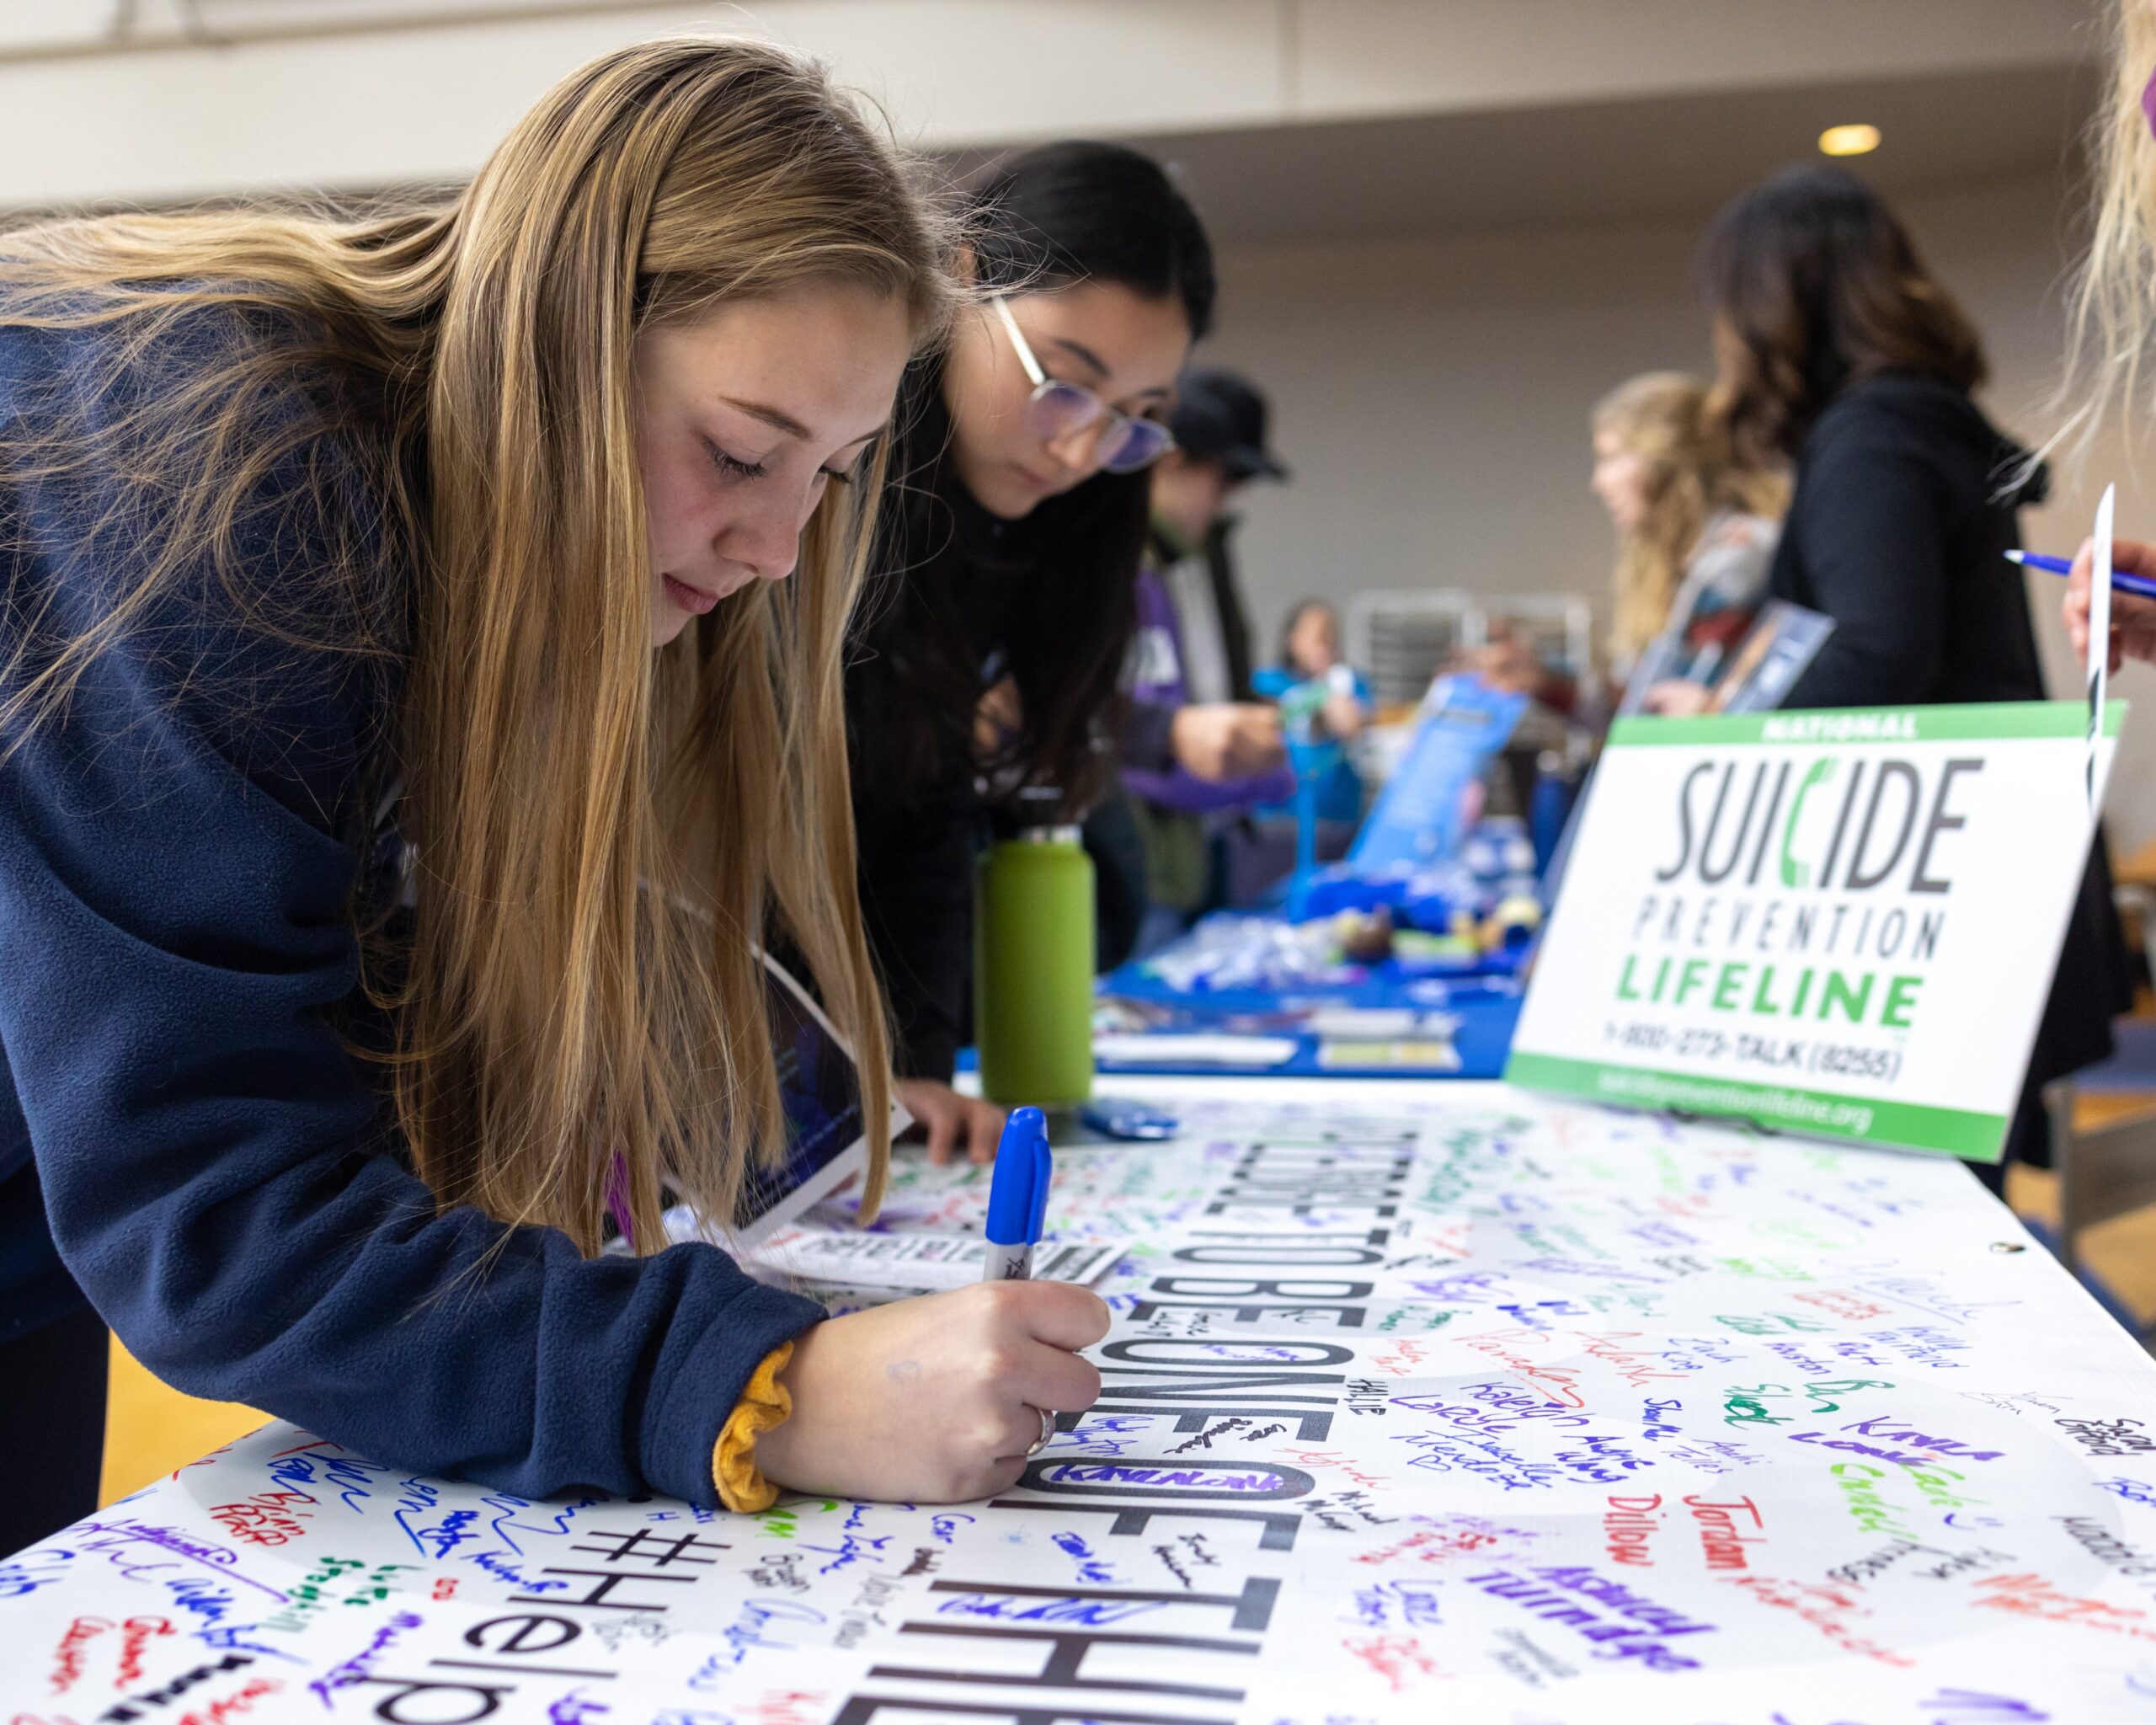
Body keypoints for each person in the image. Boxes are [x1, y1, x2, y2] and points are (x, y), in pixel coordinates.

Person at [0, 38, 1108, 1556]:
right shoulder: (234, 457)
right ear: (563, 344)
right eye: (738, 452)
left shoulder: (492, 528)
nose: (776, 550)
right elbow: (213, 1213)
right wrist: (762, 1381)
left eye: (834, 475)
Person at [1700, 163, 2129, 1181]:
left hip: (1932, 914)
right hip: (1984, 880)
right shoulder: (1924, 417)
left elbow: (1877, 649)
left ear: (1772, 302)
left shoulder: (1868, 438)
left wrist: (1721, 740)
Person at [847, 142, 1221, 1160]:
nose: (1080, 450)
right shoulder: (824, 489)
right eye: (1063, 382)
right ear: (960, 280)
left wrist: (911, 1066)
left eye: (1134, 420)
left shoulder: (1038, 530)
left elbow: (921, 802)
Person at [1470, 371, 1784, 719]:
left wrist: (1708, 710)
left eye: (1613, 457)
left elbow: (1656, 717)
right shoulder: (1680, 563)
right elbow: (1643, 706)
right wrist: (1545, 679)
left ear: (1669, 459)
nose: (1599, 482)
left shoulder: (1738, 557)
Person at [1120, 369, 1295, 947]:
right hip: (1141, 860)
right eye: (1227, 478)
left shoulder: (1205, 553)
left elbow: (1218, 684)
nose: (1232, 498)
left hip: (1207, 844)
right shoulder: (1119, 566)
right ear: (1171, 460)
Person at [1253, 600, 1373, 827]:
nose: (1322, 642)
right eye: (1313, 634)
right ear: (1292, 638)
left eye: (1329, 635)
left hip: (1336, 815)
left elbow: (1350, 725)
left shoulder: (1350, 683)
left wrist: (1328, 684)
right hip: (1277, 816)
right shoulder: (1268, 682)